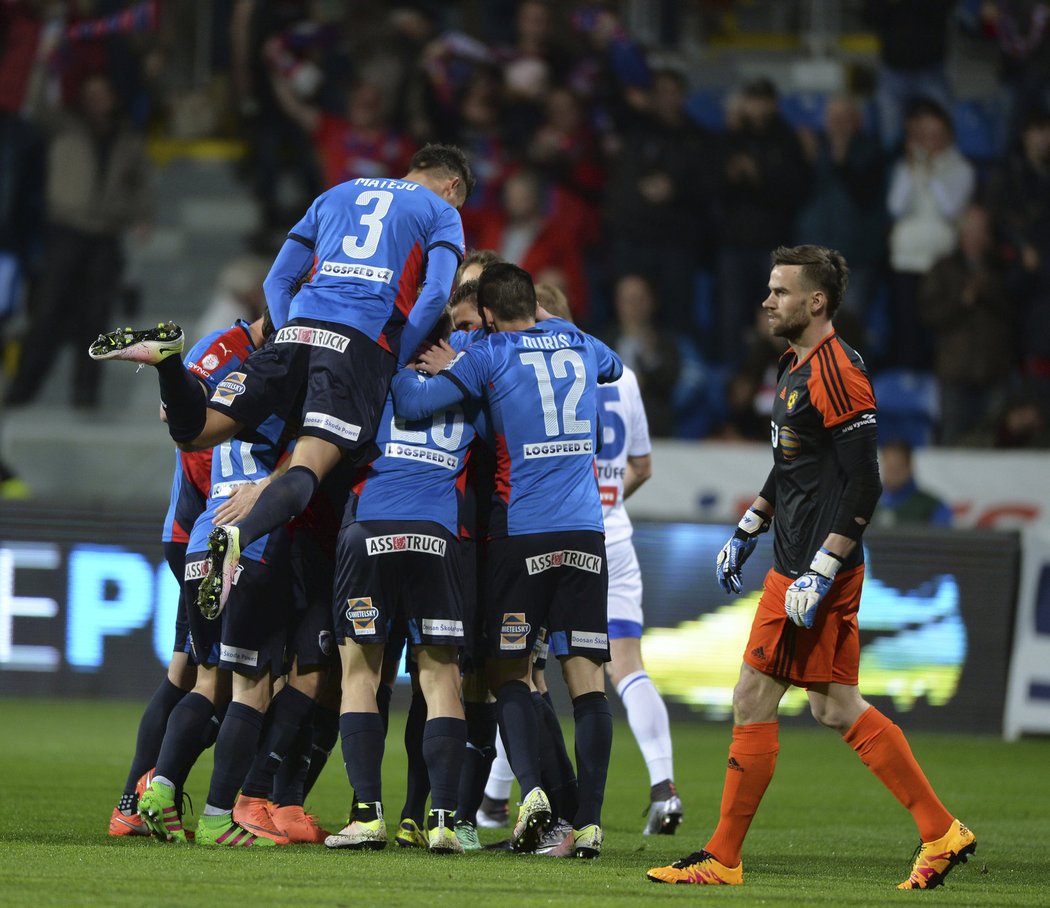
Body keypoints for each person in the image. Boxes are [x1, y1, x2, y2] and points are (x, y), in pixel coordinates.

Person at [647, 245, 975, 889]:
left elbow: (866, 485)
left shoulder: (838, 373)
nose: (767, 300)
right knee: (833, 707)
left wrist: (822, 569)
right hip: (793, 564)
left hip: (813, 572)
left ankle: (723, 857)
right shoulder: (794, 364)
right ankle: (941, 831)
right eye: (769, 289)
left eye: (780, 290)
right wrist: (751, 523)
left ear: (816, 301)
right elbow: (792, 459)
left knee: (754, 697)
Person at [89, 144, 474, 621]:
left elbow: (277, 281)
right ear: (452, 185)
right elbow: (436, 293)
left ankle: (169, 362)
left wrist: (292, 336)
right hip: (358, 343)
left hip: (294, 331)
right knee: (309, 465)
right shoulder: (440, 211)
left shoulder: (336, 194)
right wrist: (392, 354)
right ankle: (237, 537)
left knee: (195, 431)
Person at [390, 262, 623, 858]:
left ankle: (536, 794)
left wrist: (409, 365)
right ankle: (590, 824)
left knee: (507, 671)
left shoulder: (489, 354)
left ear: (488, 316)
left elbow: (417, 405)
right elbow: (614, 366)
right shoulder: (577, 341)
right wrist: (544, 317)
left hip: (523, 533)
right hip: (586, 532)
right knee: (587, 680)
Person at [323, 311, 482, 855]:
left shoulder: (377, 371)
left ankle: (367, 813)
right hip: (437, 534)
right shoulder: (473, 380)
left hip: (372, 529)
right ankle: (442, 819)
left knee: (360, 674)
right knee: (441, 680)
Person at [545, 286, 682, 833]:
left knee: (525, 668)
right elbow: (643, 465)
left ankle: (496, 796)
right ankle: (664, 787)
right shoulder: (621, 373)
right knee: (626, 665)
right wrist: (608, 497)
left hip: (556, 532)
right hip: (615, 537)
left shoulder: (538, 367)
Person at [872, 441, 953, 528]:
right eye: (888, 468)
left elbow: (941, 537)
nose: (892, 474)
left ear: (909, 468)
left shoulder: (932, 506)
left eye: (897, 468)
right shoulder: (867, 505)